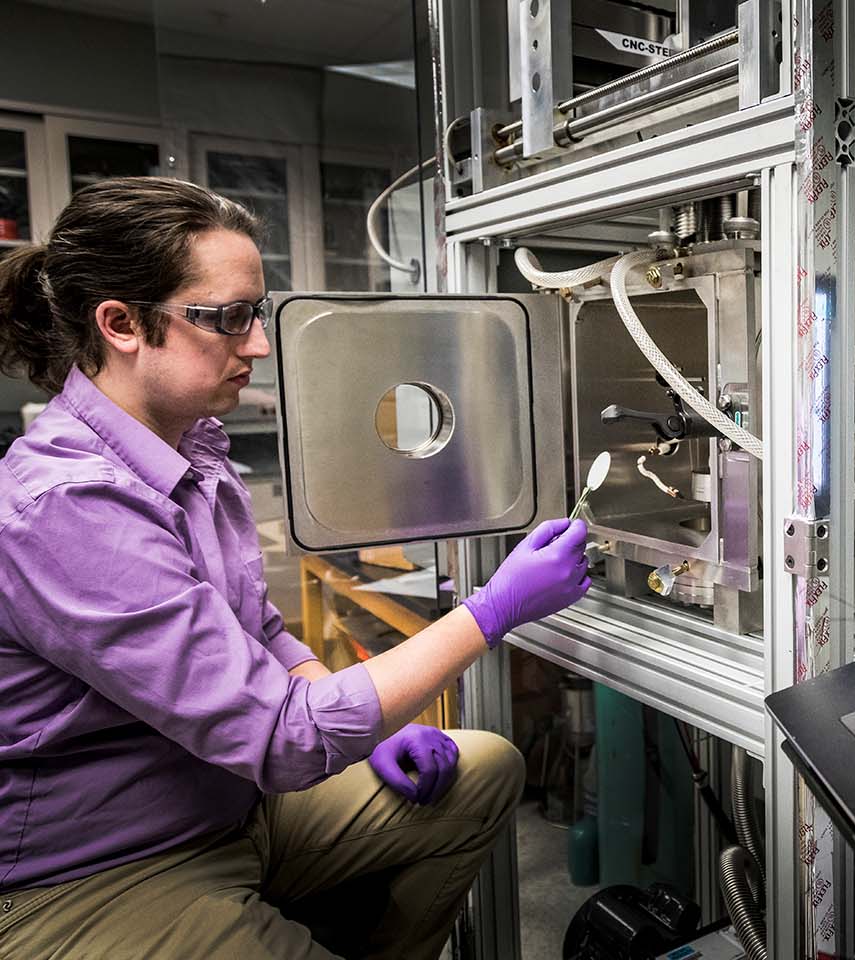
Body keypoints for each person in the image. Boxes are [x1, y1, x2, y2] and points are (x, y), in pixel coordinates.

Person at [0, 176, 591, 958]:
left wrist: (347, 709)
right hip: (100, 866)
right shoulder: (67, 509)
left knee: (481, 769)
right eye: (229, 317)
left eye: (260, 313)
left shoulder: (192, 448)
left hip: (227, 803)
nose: (258, 344)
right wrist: (491, 611)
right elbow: (282, 741)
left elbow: (259, 628)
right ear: (122, 324)